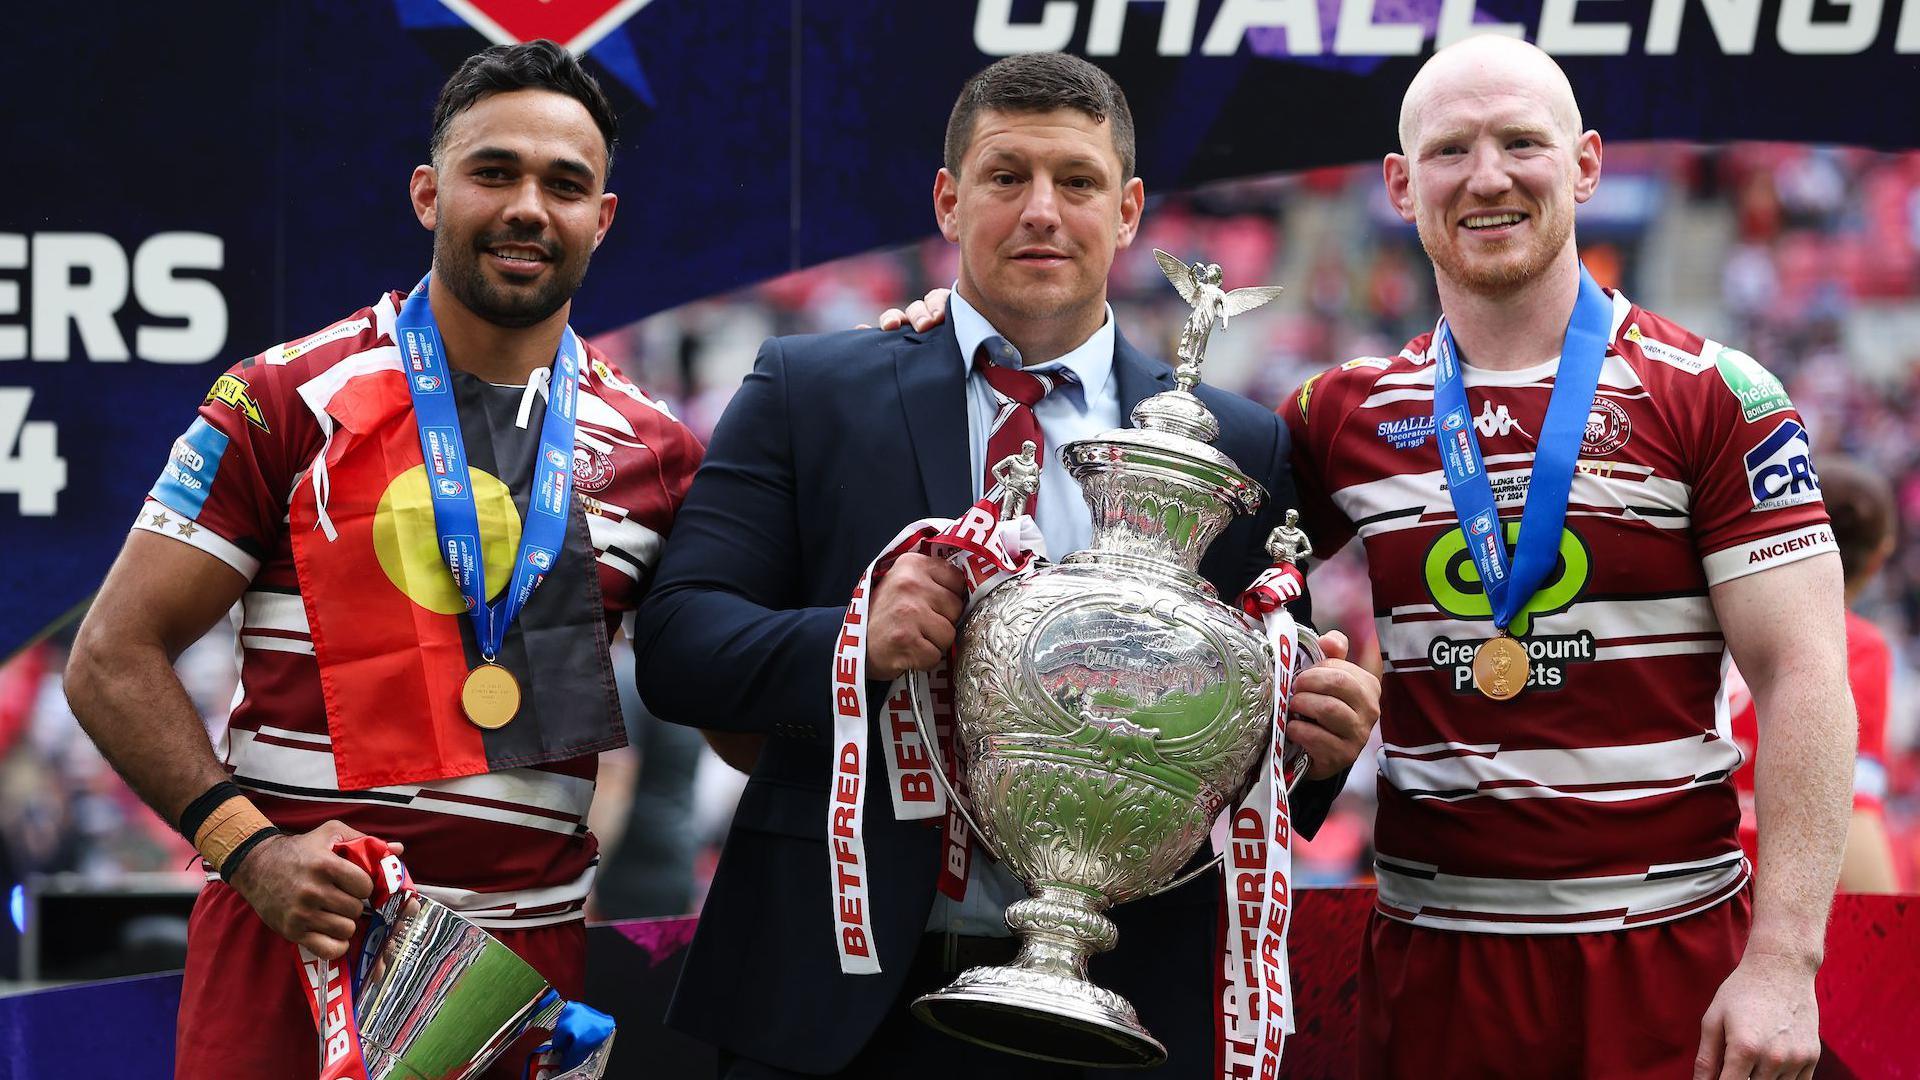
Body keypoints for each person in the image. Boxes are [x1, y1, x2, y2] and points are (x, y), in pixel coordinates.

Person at [630, 53, 1379, 1078]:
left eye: (1075, 182)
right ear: (948, 199)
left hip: (1121, 1015)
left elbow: (1233, 775)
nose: (1041, 210)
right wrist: (854, 636)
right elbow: (678, 644)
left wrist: (1315, 752)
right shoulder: (812, 389)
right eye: (1005, 176)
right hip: (835, 1008)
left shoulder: (1235, 447)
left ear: (1127, 211)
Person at [62, 40, 702, 1079]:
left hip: (522, 963)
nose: (528, 206)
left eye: (565, 184)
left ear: (603, 218)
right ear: (426, 193)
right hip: (296, 939)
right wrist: (252, 851)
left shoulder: (661, 455)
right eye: (493, 172)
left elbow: (741, 708)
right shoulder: (284, 397)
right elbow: (110, 657)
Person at [1285, 35, 1853, 1080]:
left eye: (1521, 143)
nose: (1488, 176)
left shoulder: (1717, 392)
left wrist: (1784, 960)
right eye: (1451, 150)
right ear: (1403, 187)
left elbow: (1805, 672)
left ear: (1586, 164)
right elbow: (1206, 587)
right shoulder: (1338, 413)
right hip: (1431, 963)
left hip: (1665, 959)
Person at [1725, 456, 1902, 893]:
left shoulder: (1714, 624)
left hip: (1687, 891)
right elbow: (1852, 812)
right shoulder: (1854, 645)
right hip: (1775, 905)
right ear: (1879, 558)